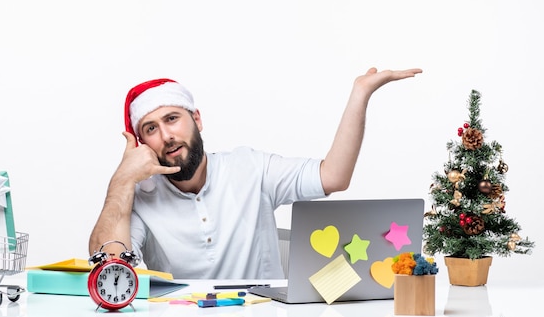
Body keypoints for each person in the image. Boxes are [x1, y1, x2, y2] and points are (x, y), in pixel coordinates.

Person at [89, 67, 422, 279]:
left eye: (172, 119)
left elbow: (333, 176)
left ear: (197, 120)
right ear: (141, 143)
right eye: (151, 128)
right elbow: (110, 267)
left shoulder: (250, 167)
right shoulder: (140, 197)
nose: (166, 136)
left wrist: (360, 94)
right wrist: (123, 179)